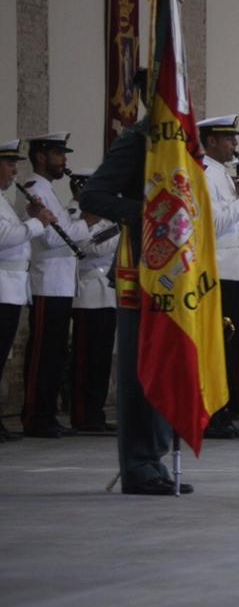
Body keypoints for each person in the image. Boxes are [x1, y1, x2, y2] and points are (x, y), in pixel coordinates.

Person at [79, 115, 191, 495]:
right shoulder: (136, 140)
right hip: (138, 268)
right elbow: (93, 196)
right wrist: (145, 212)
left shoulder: (176, 141)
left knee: (165, 366)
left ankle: (155, 458)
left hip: (174, 269)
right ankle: (137, 464)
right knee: (138, 370)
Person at [18, 132, 92, 437]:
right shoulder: (35, 189)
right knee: (43, 353)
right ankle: (35, 415)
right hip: (47, 282)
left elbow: (65, 233)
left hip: (62, 283)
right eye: (58, 154)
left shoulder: (50, 191)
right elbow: (50, 239)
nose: (64, 161)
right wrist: (87, 221)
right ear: (41, 156)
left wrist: (82, 225)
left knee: (56, 353)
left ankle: (47, 414)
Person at [198, 115, 239, 439]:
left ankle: (223, 409)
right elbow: (212, 223)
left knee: (230, 343)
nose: (235, 145)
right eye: (229, 139)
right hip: (217, 268)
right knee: (217, 343)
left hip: (233, 268)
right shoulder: (205, 174)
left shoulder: (222, 173)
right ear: (210, 141)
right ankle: (212, 413)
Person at [0, 139, 57, 443]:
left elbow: (14, 235)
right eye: (9, 164)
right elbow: (3, 239)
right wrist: (36, 223)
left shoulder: (4, 202)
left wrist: (28, 218)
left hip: (11, 289)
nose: (13, 171)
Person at [66, 170, 121, 432]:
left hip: (106, 293)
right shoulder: (74, 214)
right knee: (85, 360)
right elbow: (89, 249)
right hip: (87, 292)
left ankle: (95, 413)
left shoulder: (101, 217)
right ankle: (81, 414)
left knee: (100, 359)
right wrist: (122, 227)